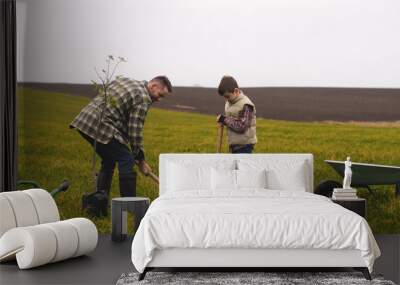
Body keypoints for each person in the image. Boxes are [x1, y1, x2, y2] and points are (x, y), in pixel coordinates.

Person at [70, 76, 172, 204]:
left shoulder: (127, 80)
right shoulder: (143, 98)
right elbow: (135, 130)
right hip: (100, 124)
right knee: (126, 159)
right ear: (153, 86)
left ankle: (100, 201)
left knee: (109, 159)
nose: (159, 99)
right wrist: (140, 159)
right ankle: (130, 204)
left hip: (85, 119)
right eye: (160, 95)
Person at [216, 75, 257, 153]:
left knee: (242, 165)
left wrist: (224, 119)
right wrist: (223, 120)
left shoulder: (246, 105)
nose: (226, 99)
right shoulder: (230, 102)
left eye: (227, 96)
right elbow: (231, 119)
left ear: (236, 91)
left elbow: (241, 126)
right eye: (224, 97)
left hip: (244, 147)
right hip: (234, 145)